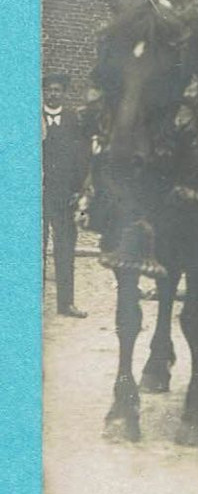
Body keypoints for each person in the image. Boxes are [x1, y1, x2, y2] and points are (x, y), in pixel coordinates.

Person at [43, 73, 90, 318]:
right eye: (49, 90)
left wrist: (78, 190)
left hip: (64, 196)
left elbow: (82, 156)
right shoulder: (32, 117)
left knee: (65, 248)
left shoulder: (74, 120)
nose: (53, 94)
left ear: (63, 92)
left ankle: (66, 303)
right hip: (37, 194)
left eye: (57, 90)